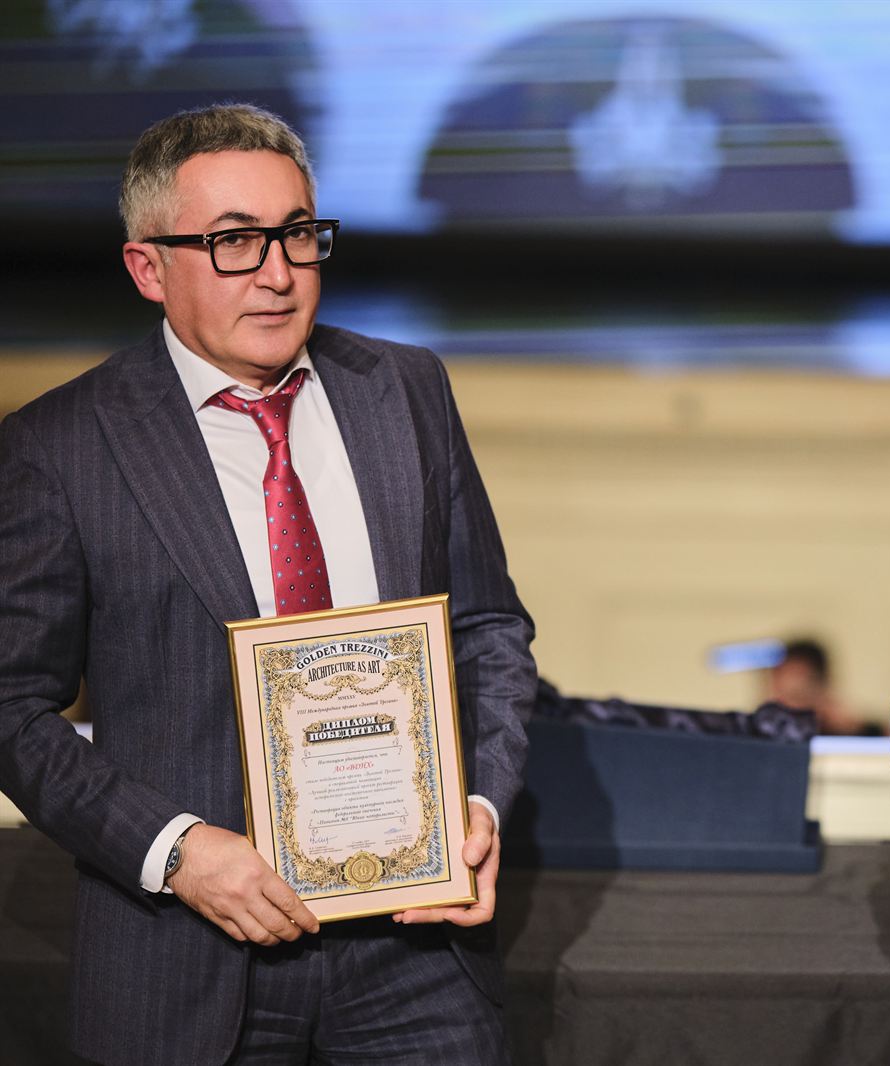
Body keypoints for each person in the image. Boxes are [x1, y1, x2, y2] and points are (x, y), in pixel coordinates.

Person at [0, 104, 537, 1065]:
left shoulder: (408, 388)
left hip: (415, 950)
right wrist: (175, 852)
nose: (279, 272)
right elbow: (10, 706)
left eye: (297, 233)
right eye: (235, 241)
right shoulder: (60, 447)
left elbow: (489, 628)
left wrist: (482, 806)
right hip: (188, 959)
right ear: (148, 269)